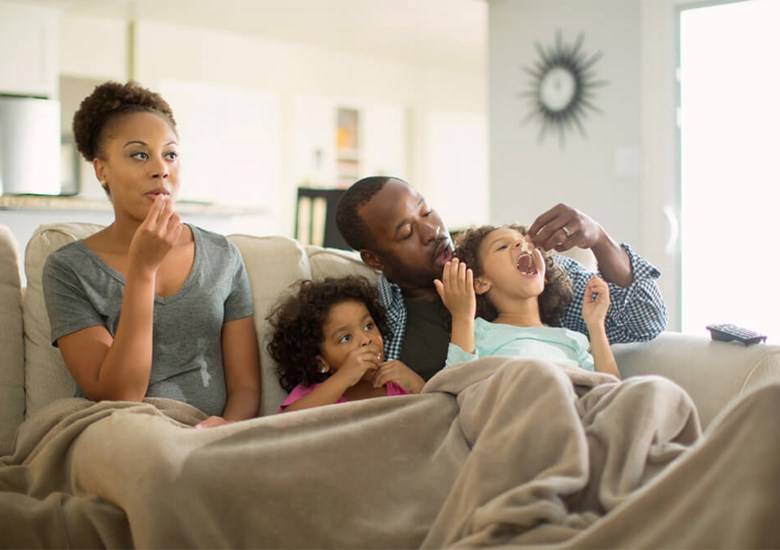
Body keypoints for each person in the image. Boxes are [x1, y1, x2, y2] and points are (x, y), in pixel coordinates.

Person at [42, 81, 260, 428]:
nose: (161, 169)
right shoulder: (68, 268)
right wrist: (143, 271)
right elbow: (119, 395)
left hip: (210, 438)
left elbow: (246, 387)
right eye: (139, 154)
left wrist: (225, 430)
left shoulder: (222, 256)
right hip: (122, 430)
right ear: (102, 170)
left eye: (170, 154)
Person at [335, 176, 666, 380]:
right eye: (406, 232)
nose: (431, 231)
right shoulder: (370, 319)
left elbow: (646, 320)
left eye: (426, 211)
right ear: (374, 259)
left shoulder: (509, 267)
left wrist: (599, 240)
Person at [436, 224, 620, 378]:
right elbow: (457, 381)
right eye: (502, 247)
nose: (520, 244)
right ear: (481, 282)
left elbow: (610, 391)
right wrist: (461, 317)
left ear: (545, 276)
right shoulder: (479, 332)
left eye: (526, 244)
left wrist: (596, 325)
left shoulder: (572, 338)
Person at [267, 276, 424, 412]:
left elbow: (438, 423)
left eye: (368, 326)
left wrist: (417, 386)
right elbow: (285, 427)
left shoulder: (397, 384)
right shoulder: (316, 396)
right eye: (345, 338)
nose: (365, 339)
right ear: (320, 362)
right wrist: (343, 378)